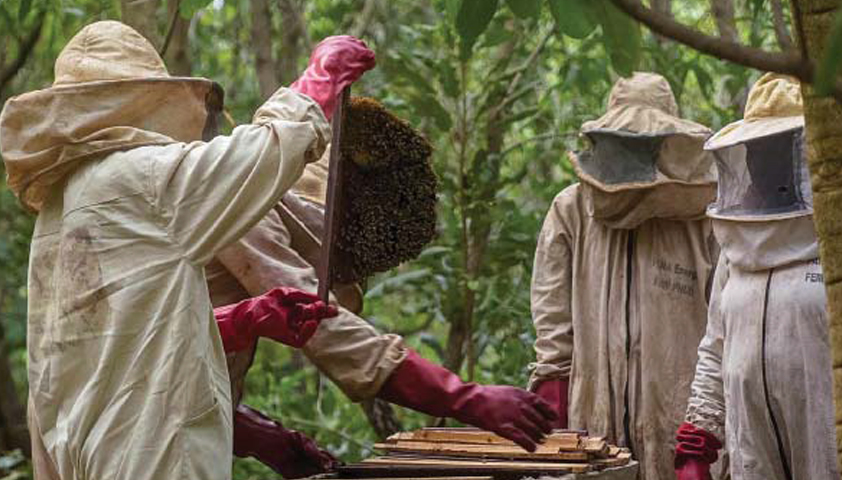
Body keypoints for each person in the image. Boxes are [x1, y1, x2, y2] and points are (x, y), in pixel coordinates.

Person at [0, 20, 373, 480]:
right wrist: (316, 82)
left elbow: (125, 335)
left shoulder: (59, 211)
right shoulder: (140, 177)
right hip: (149, 452)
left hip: (81, 453)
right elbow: (260, 155)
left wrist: (245, 321)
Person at [205, 151, 559, 478]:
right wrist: (469, 398)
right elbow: (328, 332)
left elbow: (177, 368)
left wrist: (259, 434)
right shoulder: (243, 209)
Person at [528, 72, 720, 480]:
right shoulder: (571, 210)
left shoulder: (702, 217)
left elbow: (725, 327)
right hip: (592, 419)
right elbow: (552, 317)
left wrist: (707, 432)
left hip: (681, 422)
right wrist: (552, 397)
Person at [676, 74, 840, 480]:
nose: (763, 160)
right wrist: (699, 435)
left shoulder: (835, 235)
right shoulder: (737, 242)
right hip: (753, 452)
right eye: (758, 149)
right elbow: (716, 346)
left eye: (778, 147)